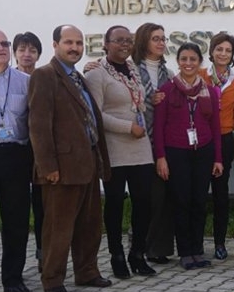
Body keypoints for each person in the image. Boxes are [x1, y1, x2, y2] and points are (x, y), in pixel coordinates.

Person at [28, 24, 112, 292]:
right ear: (55, 44)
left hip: (87, 163)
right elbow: (39, 125)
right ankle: (52, 278)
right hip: (61, 169)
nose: (75, 47)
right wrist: (48, 166)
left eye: (78, 43)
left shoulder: (78, 77)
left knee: (89, 225)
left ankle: (87, 272)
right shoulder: (45, 76)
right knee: (58, 227)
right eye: (68, 42)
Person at [85, 25, 156, 279]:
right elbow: (95, 114)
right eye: (118, 40)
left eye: (128, 40)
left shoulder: (134, 69)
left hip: (140, 148)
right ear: (106, 43)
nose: (124, 44)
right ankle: (116, 256)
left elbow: (138, 100)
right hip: (114, 148)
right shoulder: (97, 73)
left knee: (144, 202)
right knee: (115, 203)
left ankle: (137, 254)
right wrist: (128, 127)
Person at [154, 42, 223, 270]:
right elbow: (159, 127)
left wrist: (218, 158)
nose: (188, 63)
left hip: (203, 151)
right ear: (178, 61)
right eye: (184, 59)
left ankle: (197, 250)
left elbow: (215, 127)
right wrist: (161, 157)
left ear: (200, 62)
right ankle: (185, 251)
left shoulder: (210, 91)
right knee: (181, 202)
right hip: (177, 153)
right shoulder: (166, 90)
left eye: (193, 59)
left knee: (199, 203)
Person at [199, 33, 234, 260]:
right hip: (199, 141)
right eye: (219, 49)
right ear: (212, 51)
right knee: (197, 193)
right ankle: (195, 243)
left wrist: (224, 125)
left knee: (220, 193)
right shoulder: (199, 76)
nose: (223, 54)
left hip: (224, 140)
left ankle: (220, 243)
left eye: (228, 50)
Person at [132, 22, 175, 265]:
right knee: (144, 197)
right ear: (144, 41)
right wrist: (150, 98)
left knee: (162, 197)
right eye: (155, 38)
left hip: (163, 142)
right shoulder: (132, 70)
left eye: (163, 38)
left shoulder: (168, 73)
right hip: (139, 140)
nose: (161, 42)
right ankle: (139, 244)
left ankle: (159, 248)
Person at [0, 28, 32, 292]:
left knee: (16, 221)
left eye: (5, 43)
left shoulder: (25, 81)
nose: (1, 48)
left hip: (16, 156)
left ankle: (13, 278)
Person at [12, 31, 43, 271]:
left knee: (43, 202)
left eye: (32, 50)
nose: (27, 55)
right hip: (16, 150)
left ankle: (44, 251)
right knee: (18, 206)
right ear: (15, 53)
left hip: (41, 149)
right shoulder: (7, 80)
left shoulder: (44, 79)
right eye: (22, 49)